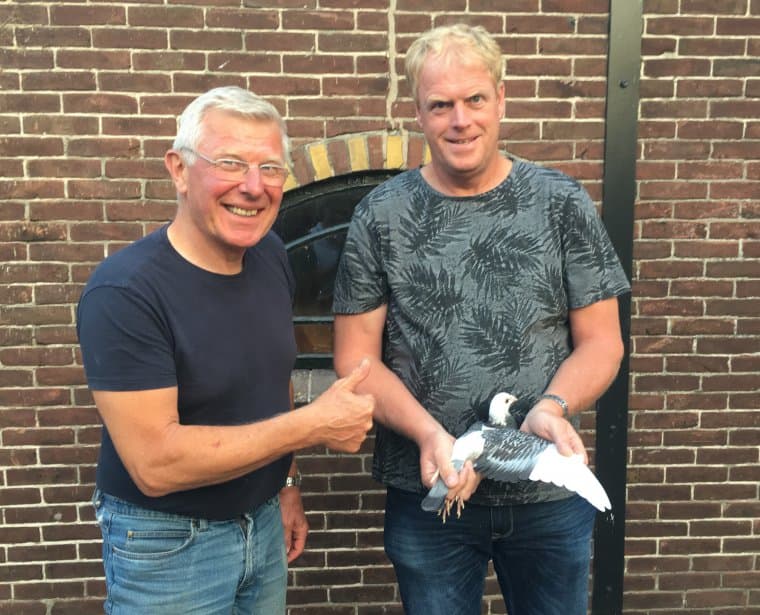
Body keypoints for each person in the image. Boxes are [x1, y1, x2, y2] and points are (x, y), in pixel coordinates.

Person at [332, 24, 630, 615]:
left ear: (501, 99)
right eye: (440, 105)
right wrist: (428, 434)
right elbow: (355, 358)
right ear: (417, 113)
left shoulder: (561, 203)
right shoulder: (380, 215)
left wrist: (552, 408)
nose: (460, 120)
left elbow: (602, 343)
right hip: (432, 492)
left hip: (548, 490)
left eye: (474, 99)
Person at [76, 86, 375, 614]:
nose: (253, 186)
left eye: (270, 168)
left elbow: (272, 379)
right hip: (168, 545)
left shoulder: (270, 255)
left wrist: (286, 483)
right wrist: (312, 425)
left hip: (261, 522)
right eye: (230, 163)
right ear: (179, 170)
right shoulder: (125, 291)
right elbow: (155, 465)